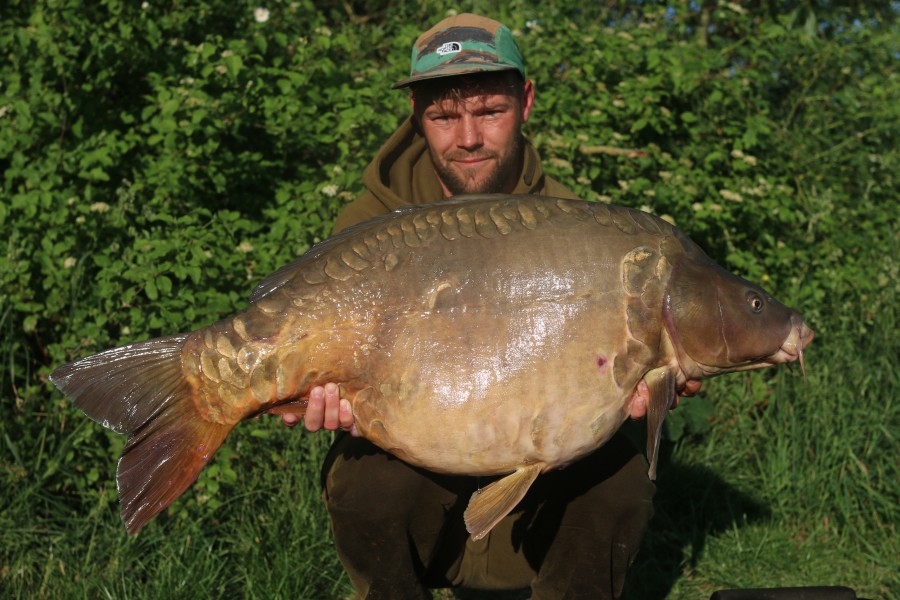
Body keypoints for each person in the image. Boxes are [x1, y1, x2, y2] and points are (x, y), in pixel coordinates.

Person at [281, 13, 697, 599]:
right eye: (444, 117)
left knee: (623, 481)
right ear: (417, 117)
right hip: (416, 453)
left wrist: (647, 382)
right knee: (365, 487)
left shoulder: (576, 228)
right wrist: (318, 396)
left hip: (547, 460)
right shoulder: (367, 226)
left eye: (489, 112)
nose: (468, 137)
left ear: (525, 101)